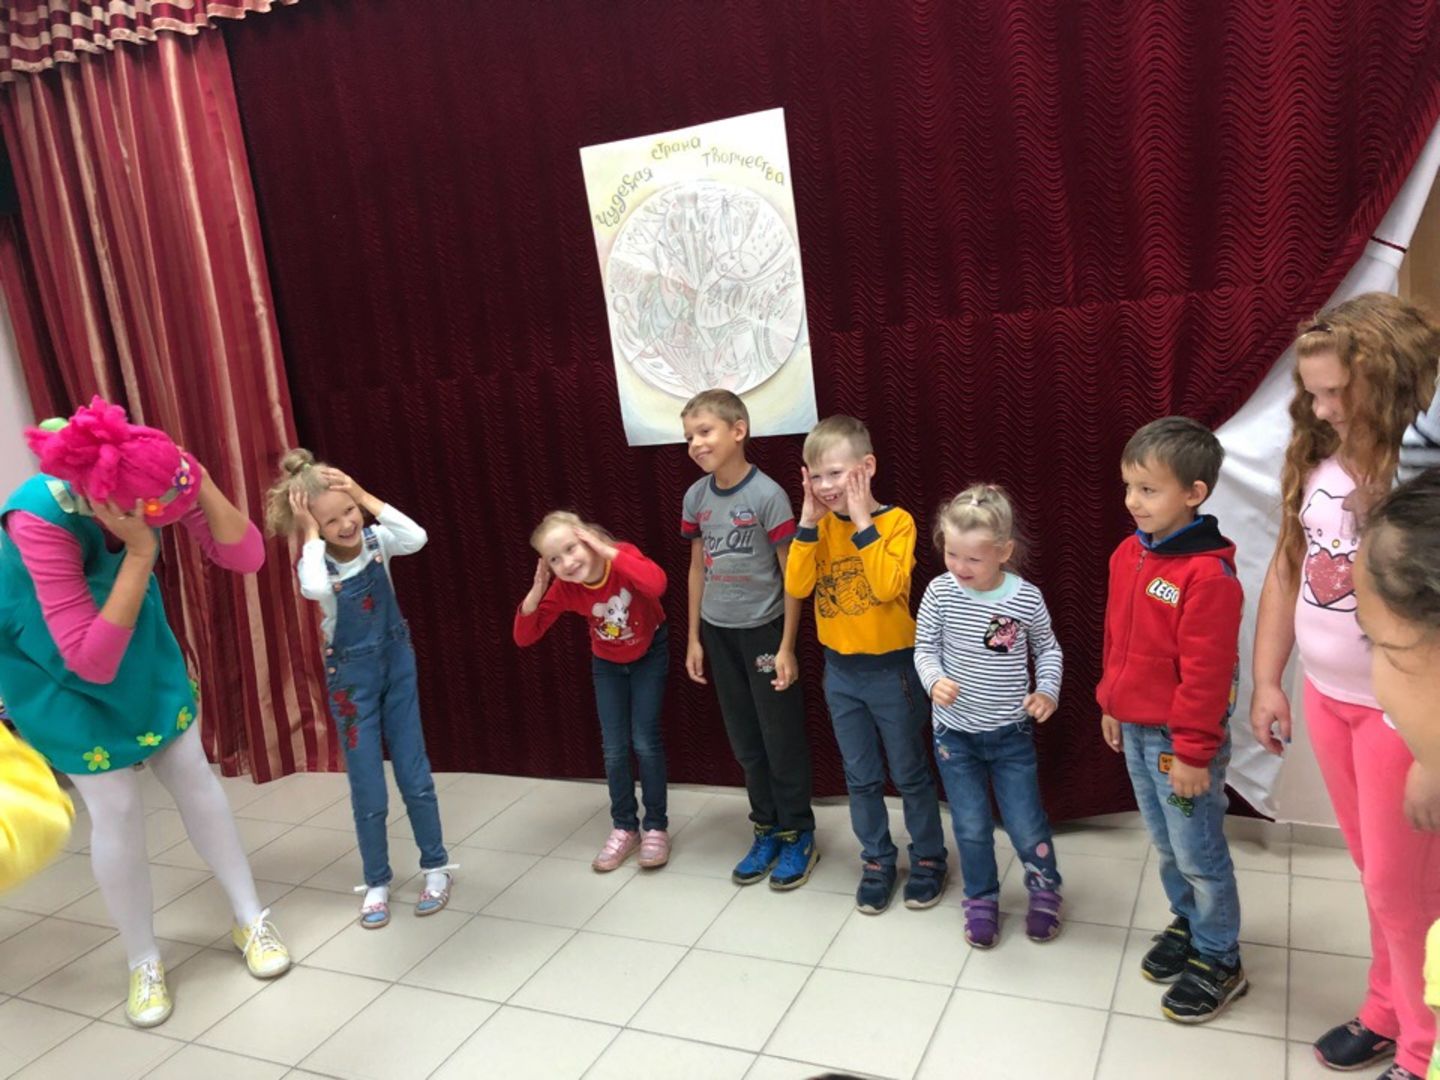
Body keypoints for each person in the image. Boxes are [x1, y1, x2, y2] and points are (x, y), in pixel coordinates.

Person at [0, 397, 290, 1028]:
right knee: (118, 811)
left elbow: (246, 557)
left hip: (134, 642)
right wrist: (138, 555)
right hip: (53, 669)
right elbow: (89, 661)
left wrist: (194, 479)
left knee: (192, 776)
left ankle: (250, 918)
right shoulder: (37, 521)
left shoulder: (143, 468)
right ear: (112, 506)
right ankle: (143, 959)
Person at [1251, 295, 1440, 1078]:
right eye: (1314, 393)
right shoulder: (1318, 460)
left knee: (1407, 890)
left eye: (1338, 392)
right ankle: (1387, 1008)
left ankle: (1425, 1048)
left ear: (1390, 382)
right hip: (1331, 700)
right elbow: (1288, 568)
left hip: (1403, 720)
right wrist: (1268, 678)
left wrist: (1434, 753)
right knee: (1377, 876)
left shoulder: (1422, 479)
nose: (1323, 409)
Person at [266, 450, 455, 929]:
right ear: (315, 526)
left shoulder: (378, 541)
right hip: (352, 683)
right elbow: (314, 589)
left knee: (414, 773)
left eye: (348, 511)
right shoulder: (316, 563)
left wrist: (364, 496)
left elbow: (417, 537)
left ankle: (435, 866)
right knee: (367, 784)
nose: (346, 524)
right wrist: (309, 535)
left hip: (397, 666)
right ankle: (376, 881)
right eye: (330, 521)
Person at [1099, 416, 1245, 1023]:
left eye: (1149, 489)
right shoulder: (1128, 553)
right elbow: (1116, 636)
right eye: (1129, 487)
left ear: (1193, 493)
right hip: (1136, 728)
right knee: (1165, 845)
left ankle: (1220, 957)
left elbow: (1208, 676)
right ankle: (1188, 922)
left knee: (1199, 851)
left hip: (1180, 742)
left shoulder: (1209, 577)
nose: (1133, 501)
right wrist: (1111, 701)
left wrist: (1191, 751)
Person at [787, 415, 947, 914]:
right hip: (841, 673)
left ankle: (929, 859)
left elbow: (885, 587)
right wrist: (807, 523)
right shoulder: (817, 527)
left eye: (836, 473)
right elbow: (796, 586)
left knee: (910, 773)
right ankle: (877, 860)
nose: (826, 485)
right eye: (816, 476)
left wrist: (861, 523)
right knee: (860, 777)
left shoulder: (897, 523)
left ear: (868, 467)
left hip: (893, 672)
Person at [915, 482, 1063, 945]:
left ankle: (1044, 889)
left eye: (973, 559)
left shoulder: (1025, 598)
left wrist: (1047, 691)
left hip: (1010, 735)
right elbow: (924, 648)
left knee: (1025, 823)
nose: (960, 567)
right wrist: (934, 680)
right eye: (951, 554)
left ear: (1004, 552)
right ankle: (980, 898)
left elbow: (1048, 649)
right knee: (971, 826)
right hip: (954, 737)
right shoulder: (939, 593)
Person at [681, 389, 816, 889]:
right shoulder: (696, 498)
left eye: (705, 431)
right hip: (719, 634)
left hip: (765, 631)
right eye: (689, 436)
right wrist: (694, 637)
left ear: (738, 431)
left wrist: (786, 646)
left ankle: (797, 832)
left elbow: (793, 576)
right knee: (745, 740)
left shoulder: (768, 495)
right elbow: (697, 568)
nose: (695, 444)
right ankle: (766, 828)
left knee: (780, 738)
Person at [515, 511, 671, 871]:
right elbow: (525, 635)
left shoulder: (621, 557)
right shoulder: (565, 588)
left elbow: (657, 584)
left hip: (649, 653)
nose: (568, 563)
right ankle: (625, 826)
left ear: (586, 537)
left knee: (645, 741)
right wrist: (537, 591)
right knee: (614, 748)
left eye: (571, 548)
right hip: (608, 663)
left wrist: (607, 550)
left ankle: (655, 826)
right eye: (555, 559)